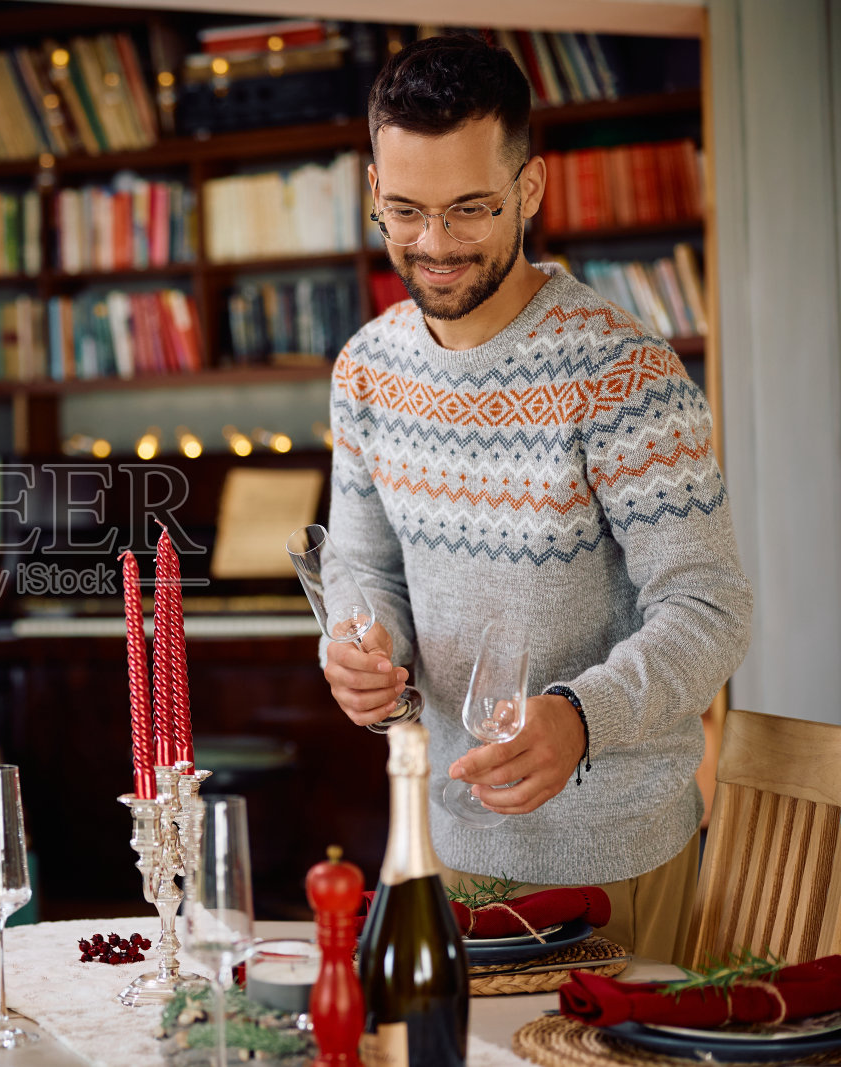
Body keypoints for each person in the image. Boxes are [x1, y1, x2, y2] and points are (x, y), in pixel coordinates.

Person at [322, 35, 751, 964]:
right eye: (404, 210)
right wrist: (359, 640)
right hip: (441, 840)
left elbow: (711, 609)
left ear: (531, 188)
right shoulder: (364, 369)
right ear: (374, 189)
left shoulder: (622, 372)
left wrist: (579, 716)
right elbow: (360, 563)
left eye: (469, 208)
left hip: (617, 855)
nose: (433, 244)